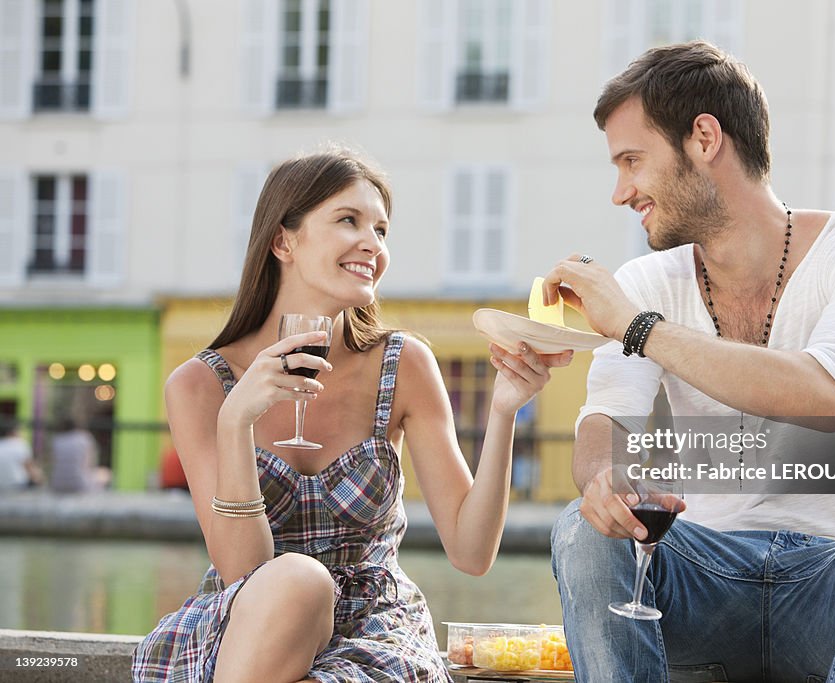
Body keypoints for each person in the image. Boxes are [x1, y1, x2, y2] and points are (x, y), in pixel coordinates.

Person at [544, 42, 835, 682]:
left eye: (632, 160)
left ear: (705, 137)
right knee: (583, 528)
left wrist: (637, 326)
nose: (620, 192)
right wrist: (608, 484)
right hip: (703, 578)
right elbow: (605, 427)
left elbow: (823, 395)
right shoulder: (646, 281)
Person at [131, 147, 571, 683]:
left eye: (381, 229)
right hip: (253, 625)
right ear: (283, 241)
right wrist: (235, 422)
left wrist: (504, 413)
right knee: (297, 581)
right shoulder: (200, 386)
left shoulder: (403, 364)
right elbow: (243, 572)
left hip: (376, 632)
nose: (373, 244)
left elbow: (472, 552)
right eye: (349, 220)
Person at [49, 416, 110, 493]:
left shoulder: (56, 440)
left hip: (57, 483)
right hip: (80, 484)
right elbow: (89, 464)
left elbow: (53, 462)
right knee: (106, 473)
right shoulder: (84, 438)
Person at [0, 422, 41, 491]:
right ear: (13, 432)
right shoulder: (20, 444)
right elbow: (30, 468)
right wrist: (39, 480)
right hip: (19, 486)